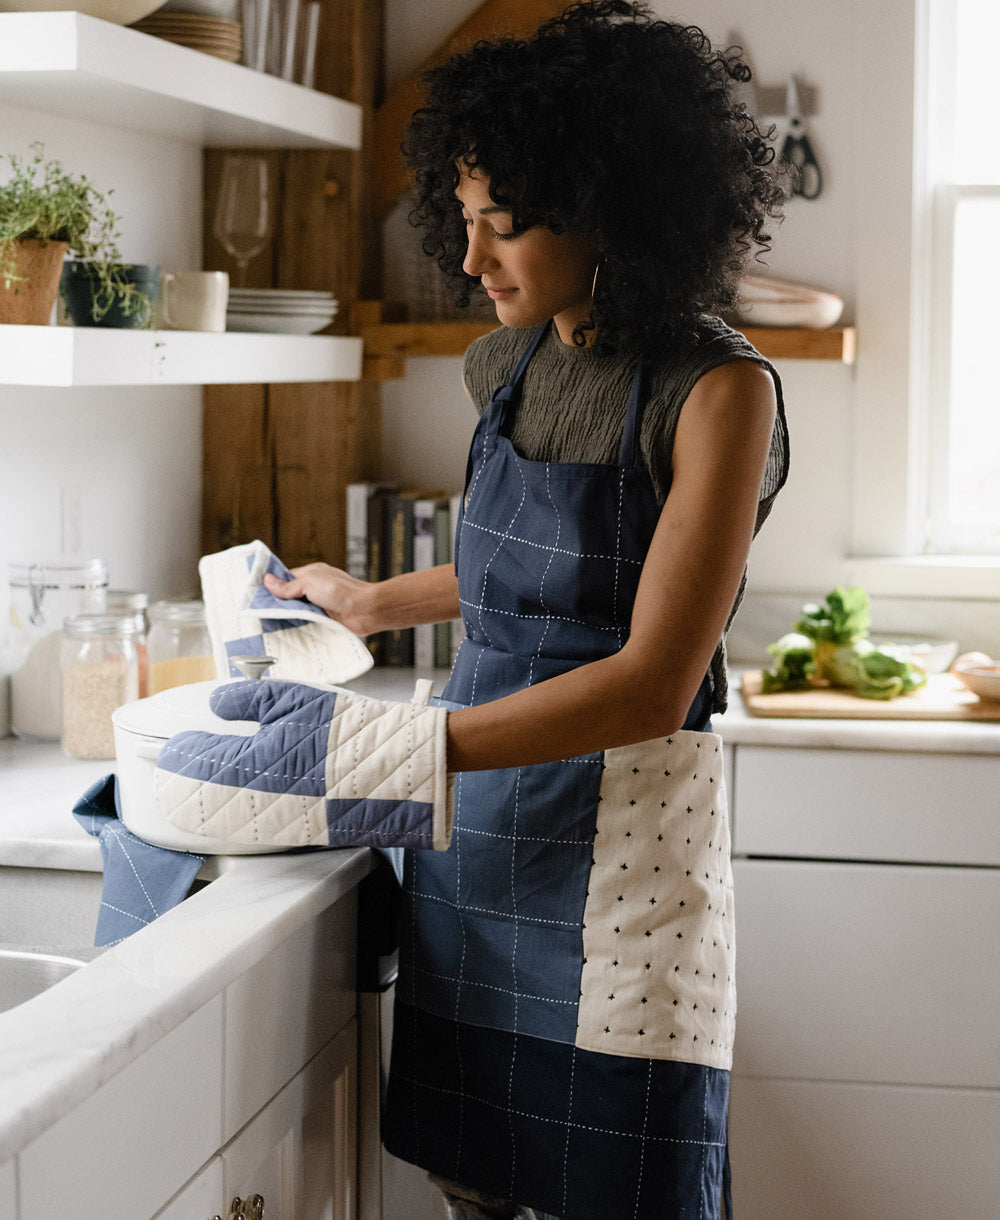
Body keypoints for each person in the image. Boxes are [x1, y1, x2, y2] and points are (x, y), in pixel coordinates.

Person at [266, 3, 788, 1216]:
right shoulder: (504, 367)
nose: (471, 259)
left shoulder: (717, 391)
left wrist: (401, 744)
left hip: (626, 856)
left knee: (624, 1177)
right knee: (472, 1170)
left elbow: (653, 672)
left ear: (610, 209)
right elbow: (533, 571)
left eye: (504, 226)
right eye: (464, 220)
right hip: (482, 831)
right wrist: (372, 598)